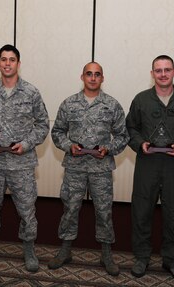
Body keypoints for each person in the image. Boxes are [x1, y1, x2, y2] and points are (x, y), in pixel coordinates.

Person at [125, 55, 174, 282]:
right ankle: (142, 257)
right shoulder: (141, 100)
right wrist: (140, 143)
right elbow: (130, 128)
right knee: (141, 212)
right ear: (152, 73)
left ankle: (171, 259)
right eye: (158, 70)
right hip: (147, 164)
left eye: (167, 70)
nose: (163, 74)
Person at [0, 44, 49, 272]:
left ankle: (28, 249)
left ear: (18, 63)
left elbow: (43, 124)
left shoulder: (31, 93)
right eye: (3, 59)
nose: (7, 63)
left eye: (12, 59)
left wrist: (25, 144)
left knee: (26, 209)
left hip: (22, 164)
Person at [49, 62, 129, 276]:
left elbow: (123, 135)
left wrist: (108, 148)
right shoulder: (69, 104)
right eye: (89, 74)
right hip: (74, 167)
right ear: (82, 76)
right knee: (70, 209)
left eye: (97, 74)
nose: (93, 78)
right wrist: (69, 146)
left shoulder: (111, 105)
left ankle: (106, 254)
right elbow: (57, 132)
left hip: (100, 168)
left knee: (104, 212)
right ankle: (65, 251)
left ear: (103, 78)